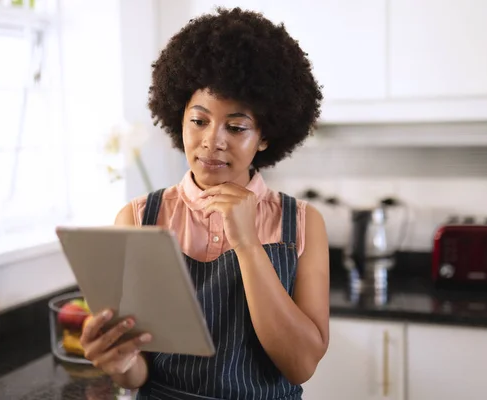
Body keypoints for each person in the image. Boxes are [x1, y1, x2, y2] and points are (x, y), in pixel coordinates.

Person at [80, 7, 329, 400]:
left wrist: (248, 245)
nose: (213, 140)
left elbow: (301, 365)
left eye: (236, 127)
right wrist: (120, 363)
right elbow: (140, 371)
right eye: (199, 121)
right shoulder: (138, 218)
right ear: (178, 118)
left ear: (265, 136)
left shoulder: (301, 222)